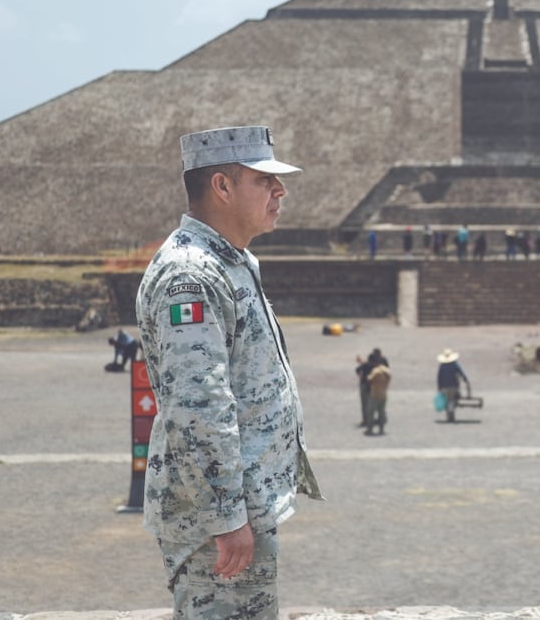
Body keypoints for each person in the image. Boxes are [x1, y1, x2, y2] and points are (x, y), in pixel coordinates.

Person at [135, 125, 323, 618]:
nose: (280, 191)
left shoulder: (231, 262)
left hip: (238, 504)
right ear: (222, 187)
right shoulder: (190, 275)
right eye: (264, 180)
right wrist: (225, 517)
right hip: (215, 516)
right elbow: (198, 406)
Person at [436, 348, 470, 423]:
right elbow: (461, 373)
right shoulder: (454, 364)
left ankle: (449, 416)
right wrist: (466, 380)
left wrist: (439, 387)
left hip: (444, 387)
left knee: (447, 401)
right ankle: (452, 416)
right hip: (454, 386)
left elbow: (439, 377)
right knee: (452, 401)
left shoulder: (442, 366)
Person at [365, 361, 390, 436]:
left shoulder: (376, 371)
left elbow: (369, 379)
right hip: (383, 394)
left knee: (370, 412)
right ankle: (381, 429)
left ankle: (370, 429)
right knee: (381, 412)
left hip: (375, 394)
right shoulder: (387, 371)